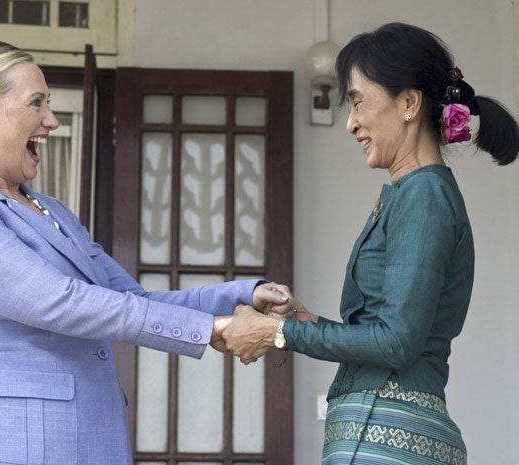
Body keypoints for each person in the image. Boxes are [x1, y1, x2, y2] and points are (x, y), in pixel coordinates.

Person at [0, 39, 292, 465]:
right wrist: (213, 329)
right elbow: (59, 301)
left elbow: (134, 302)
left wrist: (244, 297)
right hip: (2, 445)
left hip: (88, 438)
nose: (51, 121)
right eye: (36, 103)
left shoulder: (51, 210)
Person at [219, 22, 519, 465]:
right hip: (381, 433)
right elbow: (385, 332)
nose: (351, 123)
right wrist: (302, 319)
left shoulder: (424, 194)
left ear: (409, 103)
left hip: (391, 437)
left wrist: (278, 332)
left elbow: (396, 342)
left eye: (358, 102)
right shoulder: (410, 192)